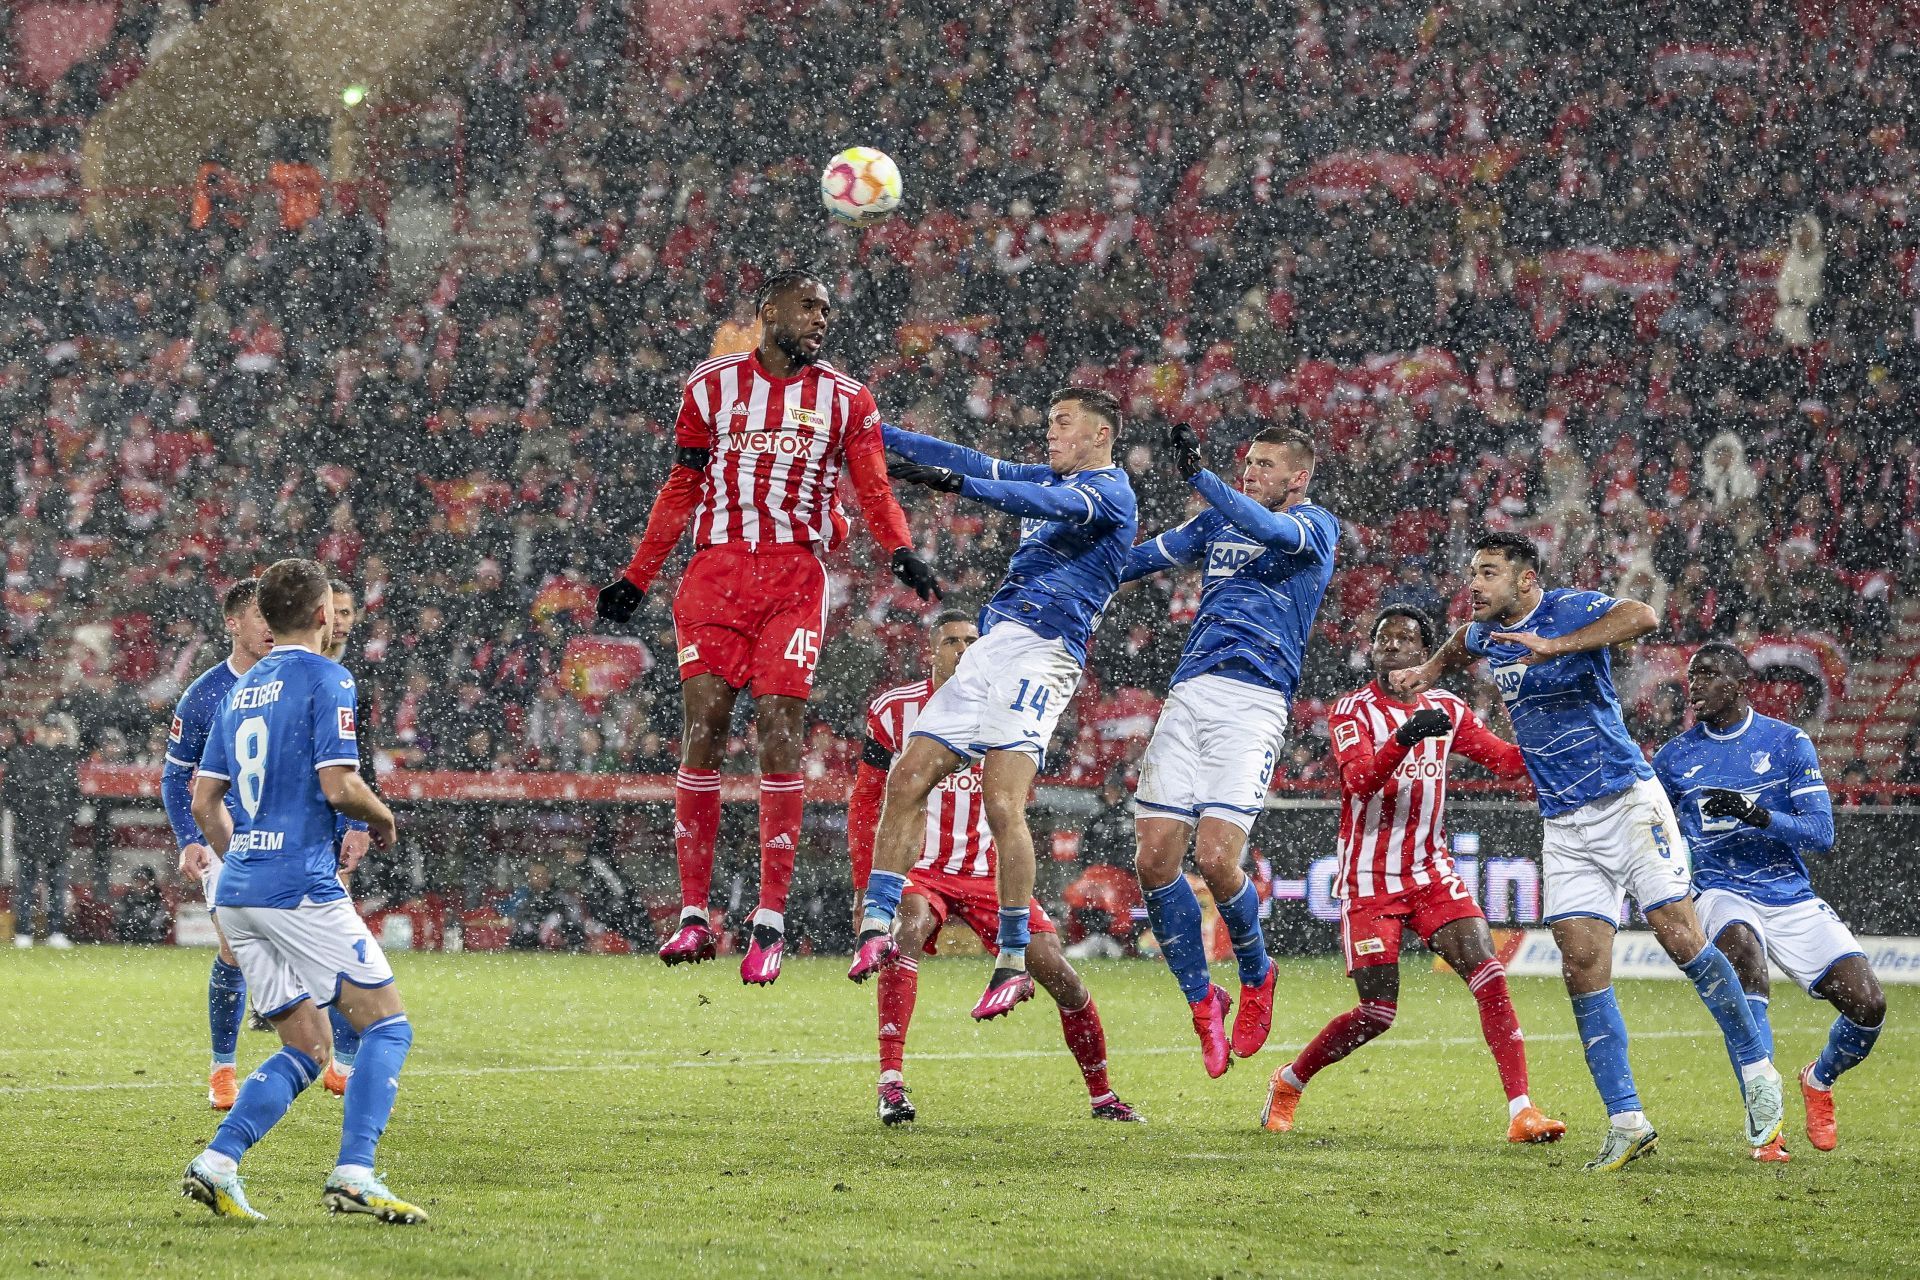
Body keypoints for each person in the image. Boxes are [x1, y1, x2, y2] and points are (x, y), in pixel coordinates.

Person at [1390, 533, 1783, 1171]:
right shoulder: (1488, 631)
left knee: (1679, 937)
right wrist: (1429, 672)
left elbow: (1643, 616)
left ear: (1525, 580)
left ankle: (1757, 1070)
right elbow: (1463, 638)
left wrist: (1556, 647)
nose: (1475, 585)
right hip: (1564, 823)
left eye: (1487, 573)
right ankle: (1627, 1119)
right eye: (1472, 573)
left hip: (1626, 801)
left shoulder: (1568, 609)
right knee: (1580, 964)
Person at [596, 269, 940, 986]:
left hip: (792, 579)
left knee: (781, 728)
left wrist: (901, 551)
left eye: (827, 309)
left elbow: (873, 487)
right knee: (705, 724)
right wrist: (637, 575)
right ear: (769, 311)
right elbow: (682, 485)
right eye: (809, 306)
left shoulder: (847, 399)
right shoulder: (711, 386)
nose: (820, 319)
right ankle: (694, 916)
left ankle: (769, 920)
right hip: (714, 576)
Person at [853, 388, 1138, 1020]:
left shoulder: (1109, 491)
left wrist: (953, 483)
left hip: (1044, 650)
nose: (1050, 433)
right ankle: (876, 920)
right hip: (994, 641)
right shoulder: (1050, 478)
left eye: (1063, 422)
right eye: (1048, 421)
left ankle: (1012, 958)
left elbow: (1028, 496)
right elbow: (973, 460)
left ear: (1100, 435)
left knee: (1002, 799)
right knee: (909, 777)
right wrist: (871, 428)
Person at [1261, 606, 1566, 1144]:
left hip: (1430, 872)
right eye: (1385, 638)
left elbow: (1504, 761)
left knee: (1488, 974)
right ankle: (1289, 1081)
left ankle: (1522, 1110)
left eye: (1407, 639)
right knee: (1378, 1012)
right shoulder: (1351, 711)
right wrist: (1404, 738)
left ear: (1425, 652)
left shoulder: (1447, 706)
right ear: (1372, 649)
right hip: (1370, 880)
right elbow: (1359, 784)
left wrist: (1559, 740)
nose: (1394, 646)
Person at [180, 558, 419, 1223]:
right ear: (322, 615)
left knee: (307, 1048)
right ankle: (355, 1172)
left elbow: (205, 803)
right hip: (299, 886)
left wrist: (247, 858)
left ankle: (218, 1162)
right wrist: (385, 816)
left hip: (242, 890)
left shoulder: (239, 689)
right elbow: (340, 785)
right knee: (387, 1027)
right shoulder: (326, 676)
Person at [847, 611, 1140, 1125]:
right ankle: (891, 1083)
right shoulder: (894, 711)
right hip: (921, 867)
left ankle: (1102, 1095)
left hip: (989, 872)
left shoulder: (1012, 704)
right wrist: (866, 887)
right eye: (951, 642)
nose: (961, 650)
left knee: (1058, 971)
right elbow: (866, 803)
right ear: (930, 649)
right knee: (906, 928)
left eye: (970, 642)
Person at [1118, 424, 1336, 1077]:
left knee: (1216, 859)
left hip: (1254, 703)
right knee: (1154, 861)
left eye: (1264, 464)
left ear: (1297, 478)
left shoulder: (1315, 526)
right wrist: (1069, 556)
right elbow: (1138, 560)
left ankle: (1256, 972)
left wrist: (1202, 480)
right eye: (1246, 461)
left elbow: (1269, 532)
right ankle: (1201, 998)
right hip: (1190, 695)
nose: (1250, 472)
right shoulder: (1215, 525)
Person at [1653, 643, 1885, 1158]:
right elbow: (1656, 834)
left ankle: (1819, 1079)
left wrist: (1756, 815)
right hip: (1719, 888)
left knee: (1869, 1005)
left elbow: (1821, 833)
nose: (1694, 684)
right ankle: (1768, 1128)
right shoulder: (1673, 759)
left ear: (1738, 684)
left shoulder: (1786, 743)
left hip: (1788, 892)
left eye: (1708, 675)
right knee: (1744, 956)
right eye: (1692, 675)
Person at [161, 578, 275, 1109]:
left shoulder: (293, 682)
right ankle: (223, 1069)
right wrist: (189, 839)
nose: (270, 625)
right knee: (232, 945)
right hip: (224, 832)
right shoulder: (205, 693)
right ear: (233, 623)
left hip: (286, 831)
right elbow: (172, 777)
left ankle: (340, 1058)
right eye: (259, 615)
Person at [319, 578, 372, 1097]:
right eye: (333, 610)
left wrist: (358, 820)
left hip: (335, 816)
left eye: (349, 611)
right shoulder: (296, 668)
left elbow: (362, 756)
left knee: (339, 935)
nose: (341, 619)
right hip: (295, 818)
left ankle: (342, 1056)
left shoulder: (356, 676)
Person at [5, 715, 83, 949]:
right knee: (27, 883)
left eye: (55, 729)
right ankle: (24, 931)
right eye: (48, 728)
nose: (51, 733)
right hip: (30, 829)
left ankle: (56, 931)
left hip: (55, 831)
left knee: (56, 884)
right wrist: (28, 817)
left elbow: (73, 797)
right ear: (37, 730)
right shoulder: (21, 756)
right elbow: (11, 794)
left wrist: (62, 820)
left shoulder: (66, 758)